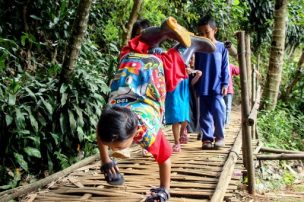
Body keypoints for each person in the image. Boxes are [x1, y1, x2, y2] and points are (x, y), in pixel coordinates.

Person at [96, 16, 215, 201]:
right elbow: (101, 133)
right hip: (130, 63)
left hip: (150, 72)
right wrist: (106, 161)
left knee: (172, 72)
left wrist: (164, 190)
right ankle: (156, 36)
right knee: (134, 49)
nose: (114, 150)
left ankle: (187, 47)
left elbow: (165, 160)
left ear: (134, 132)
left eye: (118, 147)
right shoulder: (109, 118)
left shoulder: (146, 131)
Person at [195, 15, 229, 150]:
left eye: (207, 32)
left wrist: (225, 83)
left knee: (218, 111)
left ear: (215, 30)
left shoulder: (222, 47)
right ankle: (207, 139)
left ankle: (220, 137)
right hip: (203, 86)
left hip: (217, 86)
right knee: (204, 114)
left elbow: (225, 67)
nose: (204, 35)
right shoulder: (199, 49)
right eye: (201, 33)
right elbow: (196, 67)